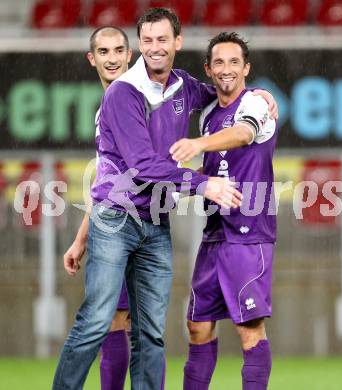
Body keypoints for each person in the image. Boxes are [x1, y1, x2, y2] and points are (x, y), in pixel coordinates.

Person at [52, 9, 243, 390]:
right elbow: (141, 165)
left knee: (151, 334)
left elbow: (225, 97)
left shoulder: (184, 86)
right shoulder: (124, 92)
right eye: (148, 40)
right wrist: (203, 184)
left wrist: (255, 95)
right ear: (140, 45)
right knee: (96, 322)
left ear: (177, 42)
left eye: (162, 40)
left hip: (156, 224)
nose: (154, 48)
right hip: (116, 221)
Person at [170, 32, 277, 390]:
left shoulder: (257, 105)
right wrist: (180, 182)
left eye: (234, 62)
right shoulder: (210, 115)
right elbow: (214, 171)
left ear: (246, 68)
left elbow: (244, 135)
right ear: (208, 69)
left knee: (249, 330)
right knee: (197, 327)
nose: (226, 69)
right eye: (219, 62)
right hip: (214, 234)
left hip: (249, 235)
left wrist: (196, 144)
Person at [62, 26, 133, 390]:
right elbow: (105, 183)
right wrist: (81, 239)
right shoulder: (105, 108)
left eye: (118, 50)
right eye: (103, 51)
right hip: (114, 222)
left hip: (139, 223)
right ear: (92, 59)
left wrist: (258, 95)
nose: (112, 58)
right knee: (118, 321)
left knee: (128, 324)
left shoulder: (141, 96)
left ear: (129, 55)